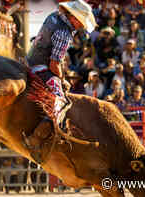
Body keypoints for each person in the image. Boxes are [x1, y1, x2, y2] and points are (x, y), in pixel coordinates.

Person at [23, 0, 97, 163]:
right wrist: (62, 79)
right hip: (40, 67)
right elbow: (54, 63)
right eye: (82, 23)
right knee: (62, 100)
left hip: (30, 60)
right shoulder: (64, 33)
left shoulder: (54, 16)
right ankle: (36, 137)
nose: (82, 27)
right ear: (75, 18)